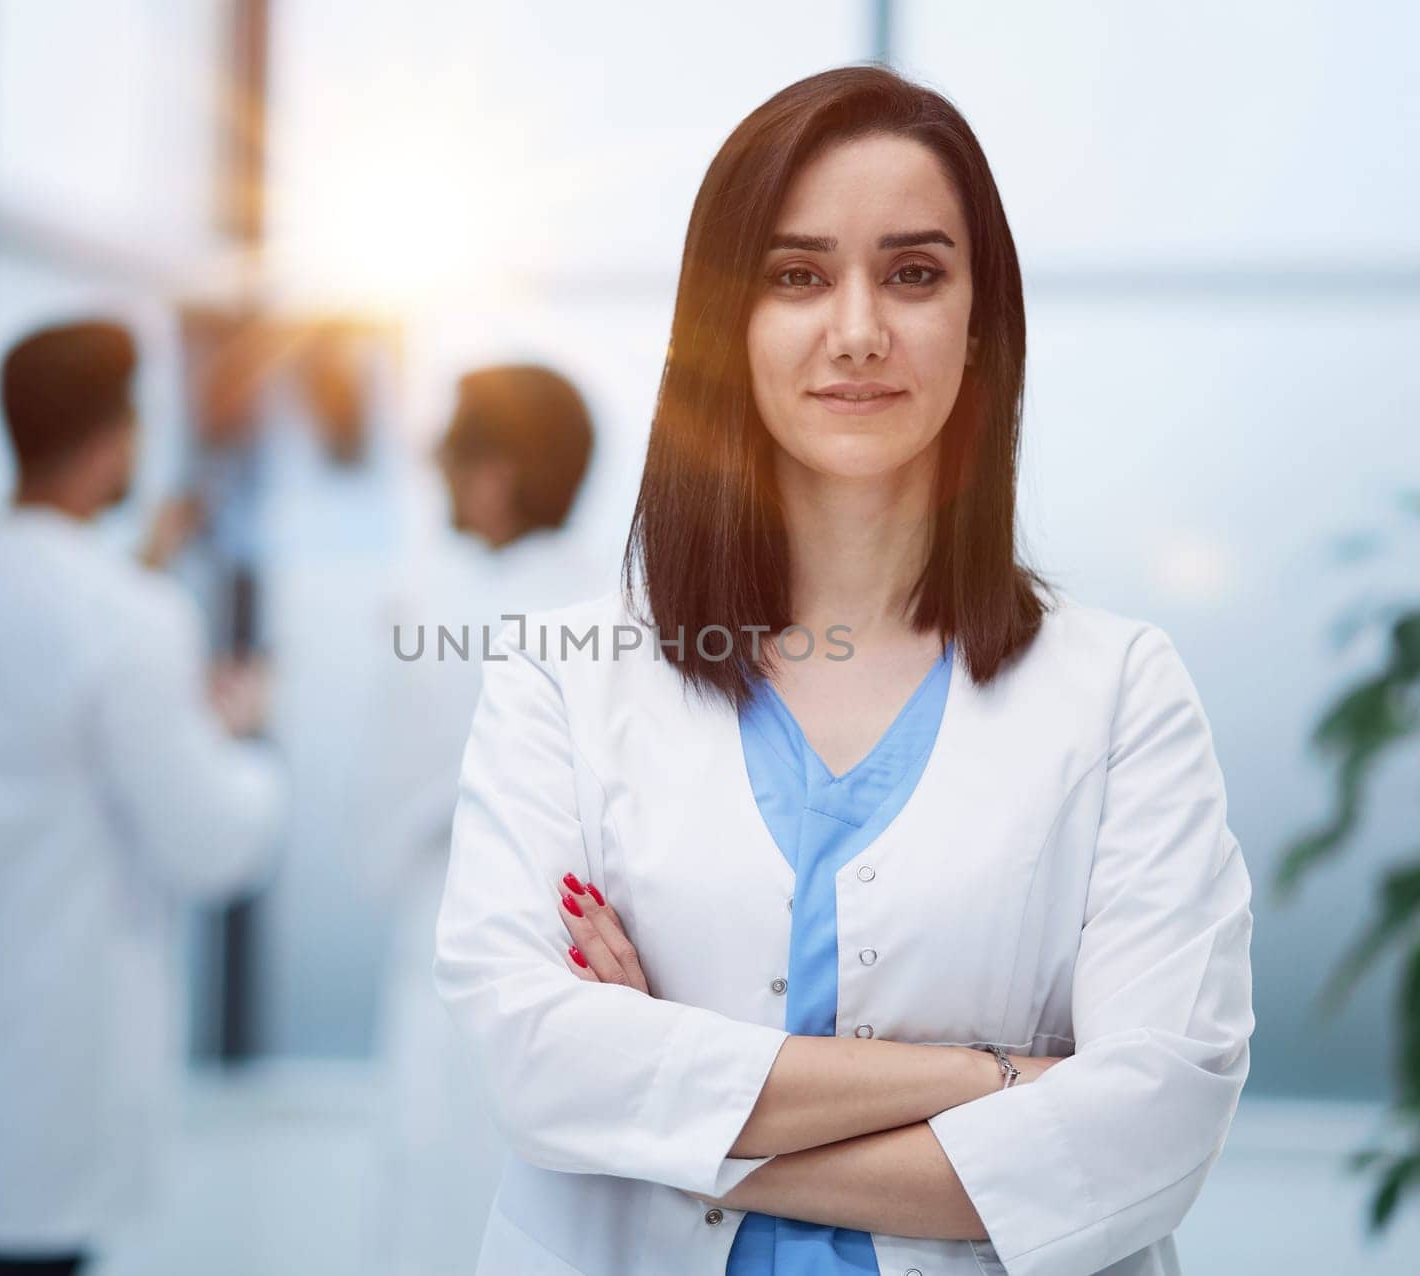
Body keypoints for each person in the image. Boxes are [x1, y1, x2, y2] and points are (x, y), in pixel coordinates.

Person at [433, 65, 1254, 1276]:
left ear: (980, 323)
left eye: (914, 273)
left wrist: (663, 1104)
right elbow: (531, 1065)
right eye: (797, 274)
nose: (858, 329)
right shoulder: (561, 675)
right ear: (727, 323)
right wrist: (1001, 1083)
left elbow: (1154, 1124)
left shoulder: (1121, 688)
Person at [0, 320, 288, 1276]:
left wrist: (136, 585)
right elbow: (208, 839)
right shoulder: (128, 617)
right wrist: (249, 741)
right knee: (42, 1249)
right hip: (62, 1018)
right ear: (117, 438)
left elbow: (29, 701)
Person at [370, 363, 603, 1274]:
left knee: (441, 1223)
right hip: (589, 999)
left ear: (491, 475)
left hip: (451, 980)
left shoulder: (432, 616)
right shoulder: (633, 605)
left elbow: (380, 833)